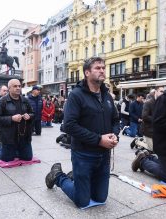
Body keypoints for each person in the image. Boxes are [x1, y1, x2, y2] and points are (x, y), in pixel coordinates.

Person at [45, 57, 120, 208]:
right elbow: (69, 126)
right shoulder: (76, 95)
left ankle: (80, 180)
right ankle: (58, 176)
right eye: (97, 68)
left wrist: (115, 134)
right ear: (87, 72)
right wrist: (99, 139)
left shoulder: (107, 95)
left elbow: (115, 120)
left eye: (103, 67)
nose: (102, 70)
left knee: (100, 199)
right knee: (82, 201)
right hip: (84, 154)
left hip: (104, 154)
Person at [0, 79, 34, 162]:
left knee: (27, 158)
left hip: (24, 136)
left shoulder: (25, 100)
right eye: (15, 86)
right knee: (7, 158)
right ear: (9, 88)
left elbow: (33, 113)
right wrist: (11, 118)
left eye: (19, 86)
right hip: (8, 136)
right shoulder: (1, 101)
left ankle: (16, 151)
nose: (18, 88)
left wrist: (29, 116)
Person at [135, 86, 165, 152]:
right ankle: (138, 142)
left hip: (158, 130)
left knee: (157, 148)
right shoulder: (148, 102)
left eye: (163, 92)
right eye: (161, 91)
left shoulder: (162, 103)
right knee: (152, 149)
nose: (163, 93)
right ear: (156, 92)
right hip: (148, 130)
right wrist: (157, 119)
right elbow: (144, 116)